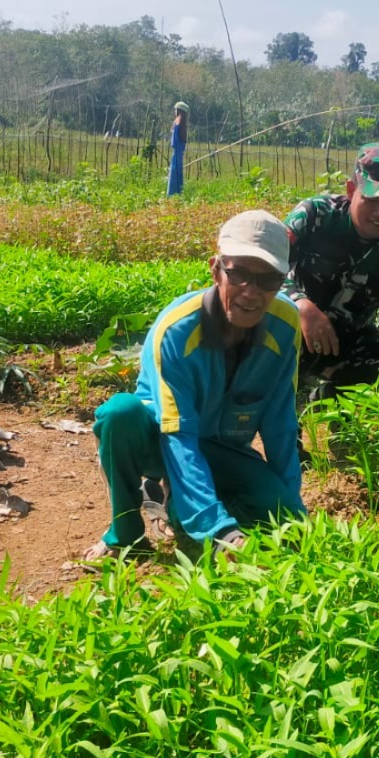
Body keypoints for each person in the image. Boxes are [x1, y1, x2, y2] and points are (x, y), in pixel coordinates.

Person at [87, 210, 305, 558]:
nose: (252, 292)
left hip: (225, 447)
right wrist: (222, 533)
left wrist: (296, 512)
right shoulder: (177, 330)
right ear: (216, 269)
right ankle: (125, 532)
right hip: (161, 440)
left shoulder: (286, 324)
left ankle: (176, 499)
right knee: (120, 413)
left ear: (282, 281)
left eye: (268, 280)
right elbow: (179, 434)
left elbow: (280, 424)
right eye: (240, 274)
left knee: (281, 514)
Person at [283, 142, 379, 397]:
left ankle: (331, 394)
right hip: (291, 334)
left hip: (350, 345)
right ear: (351, 189)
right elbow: (264, 269)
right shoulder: (314, 215)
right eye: (371, 199)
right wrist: (299, 303)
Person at [167, 101, 189, 196]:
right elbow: (183, 139)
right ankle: (177, 194)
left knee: (173, 174)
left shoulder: (176, 122)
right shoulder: (182, 123)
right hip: (179, 153)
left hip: (175, 153)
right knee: (177, 175)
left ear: (179, 111)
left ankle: (172, 194)